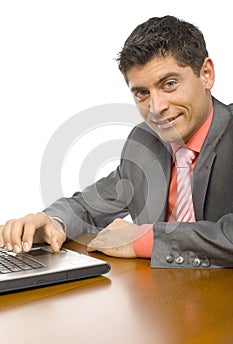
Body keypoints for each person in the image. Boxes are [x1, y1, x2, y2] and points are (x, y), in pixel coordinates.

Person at [1, 15, 233, 268]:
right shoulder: (145, 143)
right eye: (142, 93)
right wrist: (51, 222)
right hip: (161, 299)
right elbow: (87, 206)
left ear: (207, 74)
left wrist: (144, 239)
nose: (156, 107)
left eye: (169, 84)